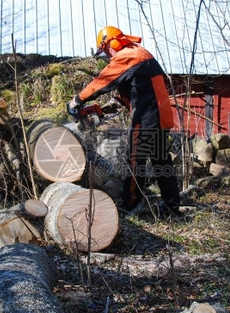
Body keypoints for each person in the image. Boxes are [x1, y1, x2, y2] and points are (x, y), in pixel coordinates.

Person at [68, 25, 182, 218]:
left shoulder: (127, 56)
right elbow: (139, 87)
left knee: (135, 160)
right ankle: (171, 206)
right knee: (161, 161)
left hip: (146, 119)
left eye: (106, 50)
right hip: (160, 118)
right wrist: (107, 108)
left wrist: (77, 100)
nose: (108, 55)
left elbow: (103, 81)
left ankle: (129, 203)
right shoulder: (140, 53)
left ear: (112, 42)